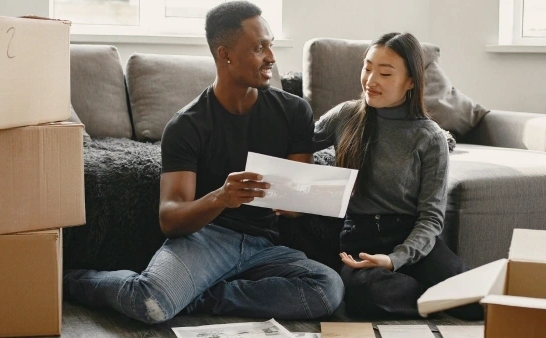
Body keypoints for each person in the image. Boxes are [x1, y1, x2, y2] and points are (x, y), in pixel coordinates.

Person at [64, 1, 344, 324]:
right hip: (206, 239)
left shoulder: (294, 112)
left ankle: (202, 297)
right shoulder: (187, 125)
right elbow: (170, 217)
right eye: (259, 48)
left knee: (328, 288)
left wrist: (304, 196)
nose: (272, 57)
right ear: (225, 55)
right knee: (150, 302)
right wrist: (221, 198)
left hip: (264, 246)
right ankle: (74, 280)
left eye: (271, 44)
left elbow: (298, 196)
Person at [314, 32, 481, 319]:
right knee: (368, 294)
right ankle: (434, 299)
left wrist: (394, 260)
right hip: (360, 239)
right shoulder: (346, 116)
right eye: (367, 68)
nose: (371, 80)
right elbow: (297, 146)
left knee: (477, 304)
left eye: (385, 73)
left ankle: (434, 296)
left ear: (411, 82)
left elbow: (431, 218)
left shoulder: (429, 137)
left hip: (411, 237)